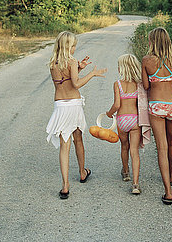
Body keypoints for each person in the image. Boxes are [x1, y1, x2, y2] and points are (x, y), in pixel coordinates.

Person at [46, 31, 107, 199]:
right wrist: (92, 73)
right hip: (74, 105)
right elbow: (76, 84)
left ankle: (65, 185)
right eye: (73, 46)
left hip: (60, 106)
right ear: (67, 46)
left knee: (64, 146)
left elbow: (64, 82)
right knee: (78, 138)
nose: (74, 49)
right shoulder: (71, 61)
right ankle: (82, 171)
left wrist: (79, 68)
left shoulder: (53, 63)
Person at [141, 27, 172, 205]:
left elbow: (146, 86)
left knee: (161, 147)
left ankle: (168, 192)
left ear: (152, 42)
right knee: (171, 142)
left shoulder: (146, 61)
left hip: (155, 106)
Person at [106, 54, 143, 194]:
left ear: (122, 68)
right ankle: (135, 184)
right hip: (135, 120)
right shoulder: (138, 84)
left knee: (124, 146)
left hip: (122, 120)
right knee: (135, 151)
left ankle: (126, 172)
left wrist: (109, 114)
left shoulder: (118, 84)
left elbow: (117, 105)